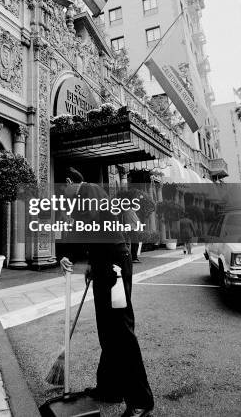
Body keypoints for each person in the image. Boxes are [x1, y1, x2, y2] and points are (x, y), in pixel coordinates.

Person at [60, 167, 154, 417]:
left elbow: (86, 225)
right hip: (105, 264)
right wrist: (89, 262)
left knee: (121, 330)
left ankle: (141, 400)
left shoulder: (88, 190)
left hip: (114, 268)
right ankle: (110, 388)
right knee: (107, 329)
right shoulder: (89, 195)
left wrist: (71, 254)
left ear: (69, 182)